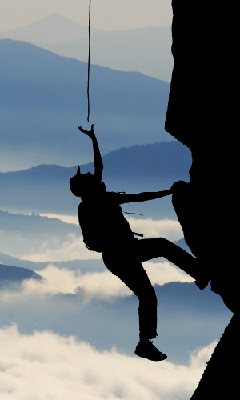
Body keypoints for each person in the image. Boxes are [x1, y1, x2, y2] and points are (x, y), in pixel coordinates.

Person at [70, 124, 209, 362]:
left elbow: (99, 167)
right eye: (90, 178)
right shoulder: (99, 201)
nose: (95, 177)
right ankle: (199, 273)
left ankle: (145, 343)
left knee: (147, 294)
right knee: (161, 252)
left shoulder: (91, 202)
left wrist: (93, 138)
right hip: (122, 253)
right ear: (88, 187)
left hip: (117, 256)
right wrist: (169, 192)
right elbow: (140, 197)